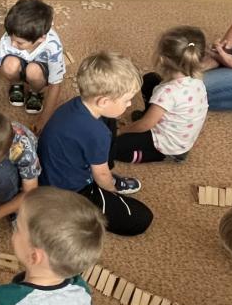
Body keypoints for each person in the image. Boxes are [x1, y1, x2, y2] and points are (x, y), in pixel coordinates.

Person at [37, 52, 153, 237]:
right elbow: (102, 176)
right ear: (104, 101)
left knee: (110, 120)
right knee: (142, 218)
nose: (130, 104)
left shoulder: (76, 104)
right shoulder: (97, 133)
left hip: (51, 171)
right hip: (67, 191)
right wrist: (111, 189)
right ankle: (68, 212)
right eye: (127, 100)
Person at [112, 26, 209, 164]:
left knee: (113, 147)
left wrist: (122, 130)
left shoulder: (167, 92)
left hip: (167, 144)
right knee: (150, 79)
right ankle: (151, 116)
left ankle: (158, 155)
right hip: (181, 137)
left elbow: (145, 125)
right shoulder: (197, 80)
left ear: (162, 59)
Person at [0, 0, 64, 125]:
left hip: (39, 70)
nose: (12, 44)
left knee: (33, 70)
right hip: (20, 63)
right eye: (11, 38)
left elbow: (55, 84)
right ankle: (16, 84)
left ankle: (36, 92)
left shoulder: (53, 46)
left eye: (19, 43)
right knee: (9, 64)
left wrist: (45, 118)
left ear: (40, 39)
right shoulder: (10, 37)